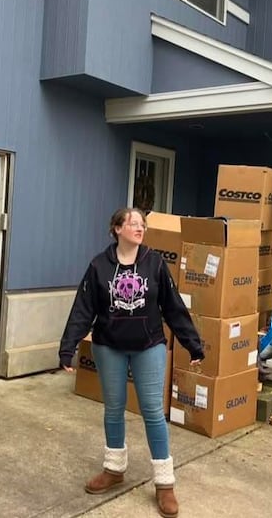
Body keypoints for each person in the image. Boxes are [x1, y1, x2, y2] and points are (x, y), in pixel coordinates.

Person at [59, 207, 204, 518]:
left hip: (148, 345)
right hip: (108, 346)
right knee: (113, 408)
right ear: (117, 229)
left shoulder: (154, 263)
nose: (139, 228)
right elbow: (83, 308)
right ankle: (114, 469)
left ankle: (165, 484)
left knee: (152, 411)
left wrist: (193, 345)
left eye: (143, 224)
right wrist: (68, 346)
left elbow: (173, 306)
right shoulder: (99, 266)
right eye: (133, 223)